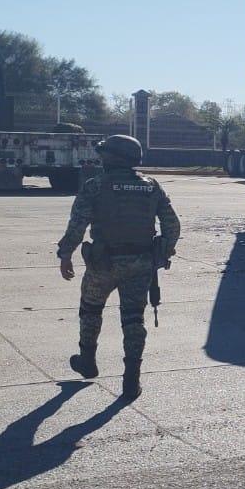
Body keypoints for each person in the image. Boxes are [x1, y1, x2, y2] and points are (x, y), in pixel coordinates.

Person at [56, 135, 180, 400]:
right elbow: (172, 225)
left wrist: (65, 254)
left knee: (90, 310)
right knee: (134, 319)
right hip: (140, 263)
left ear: (112, 158)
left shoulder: (95, 186)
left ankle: (87, 361)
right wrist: (164, 251)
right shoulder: (151, 186)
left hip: (103, 263)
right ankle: (131, 380)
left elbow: (77, 225)